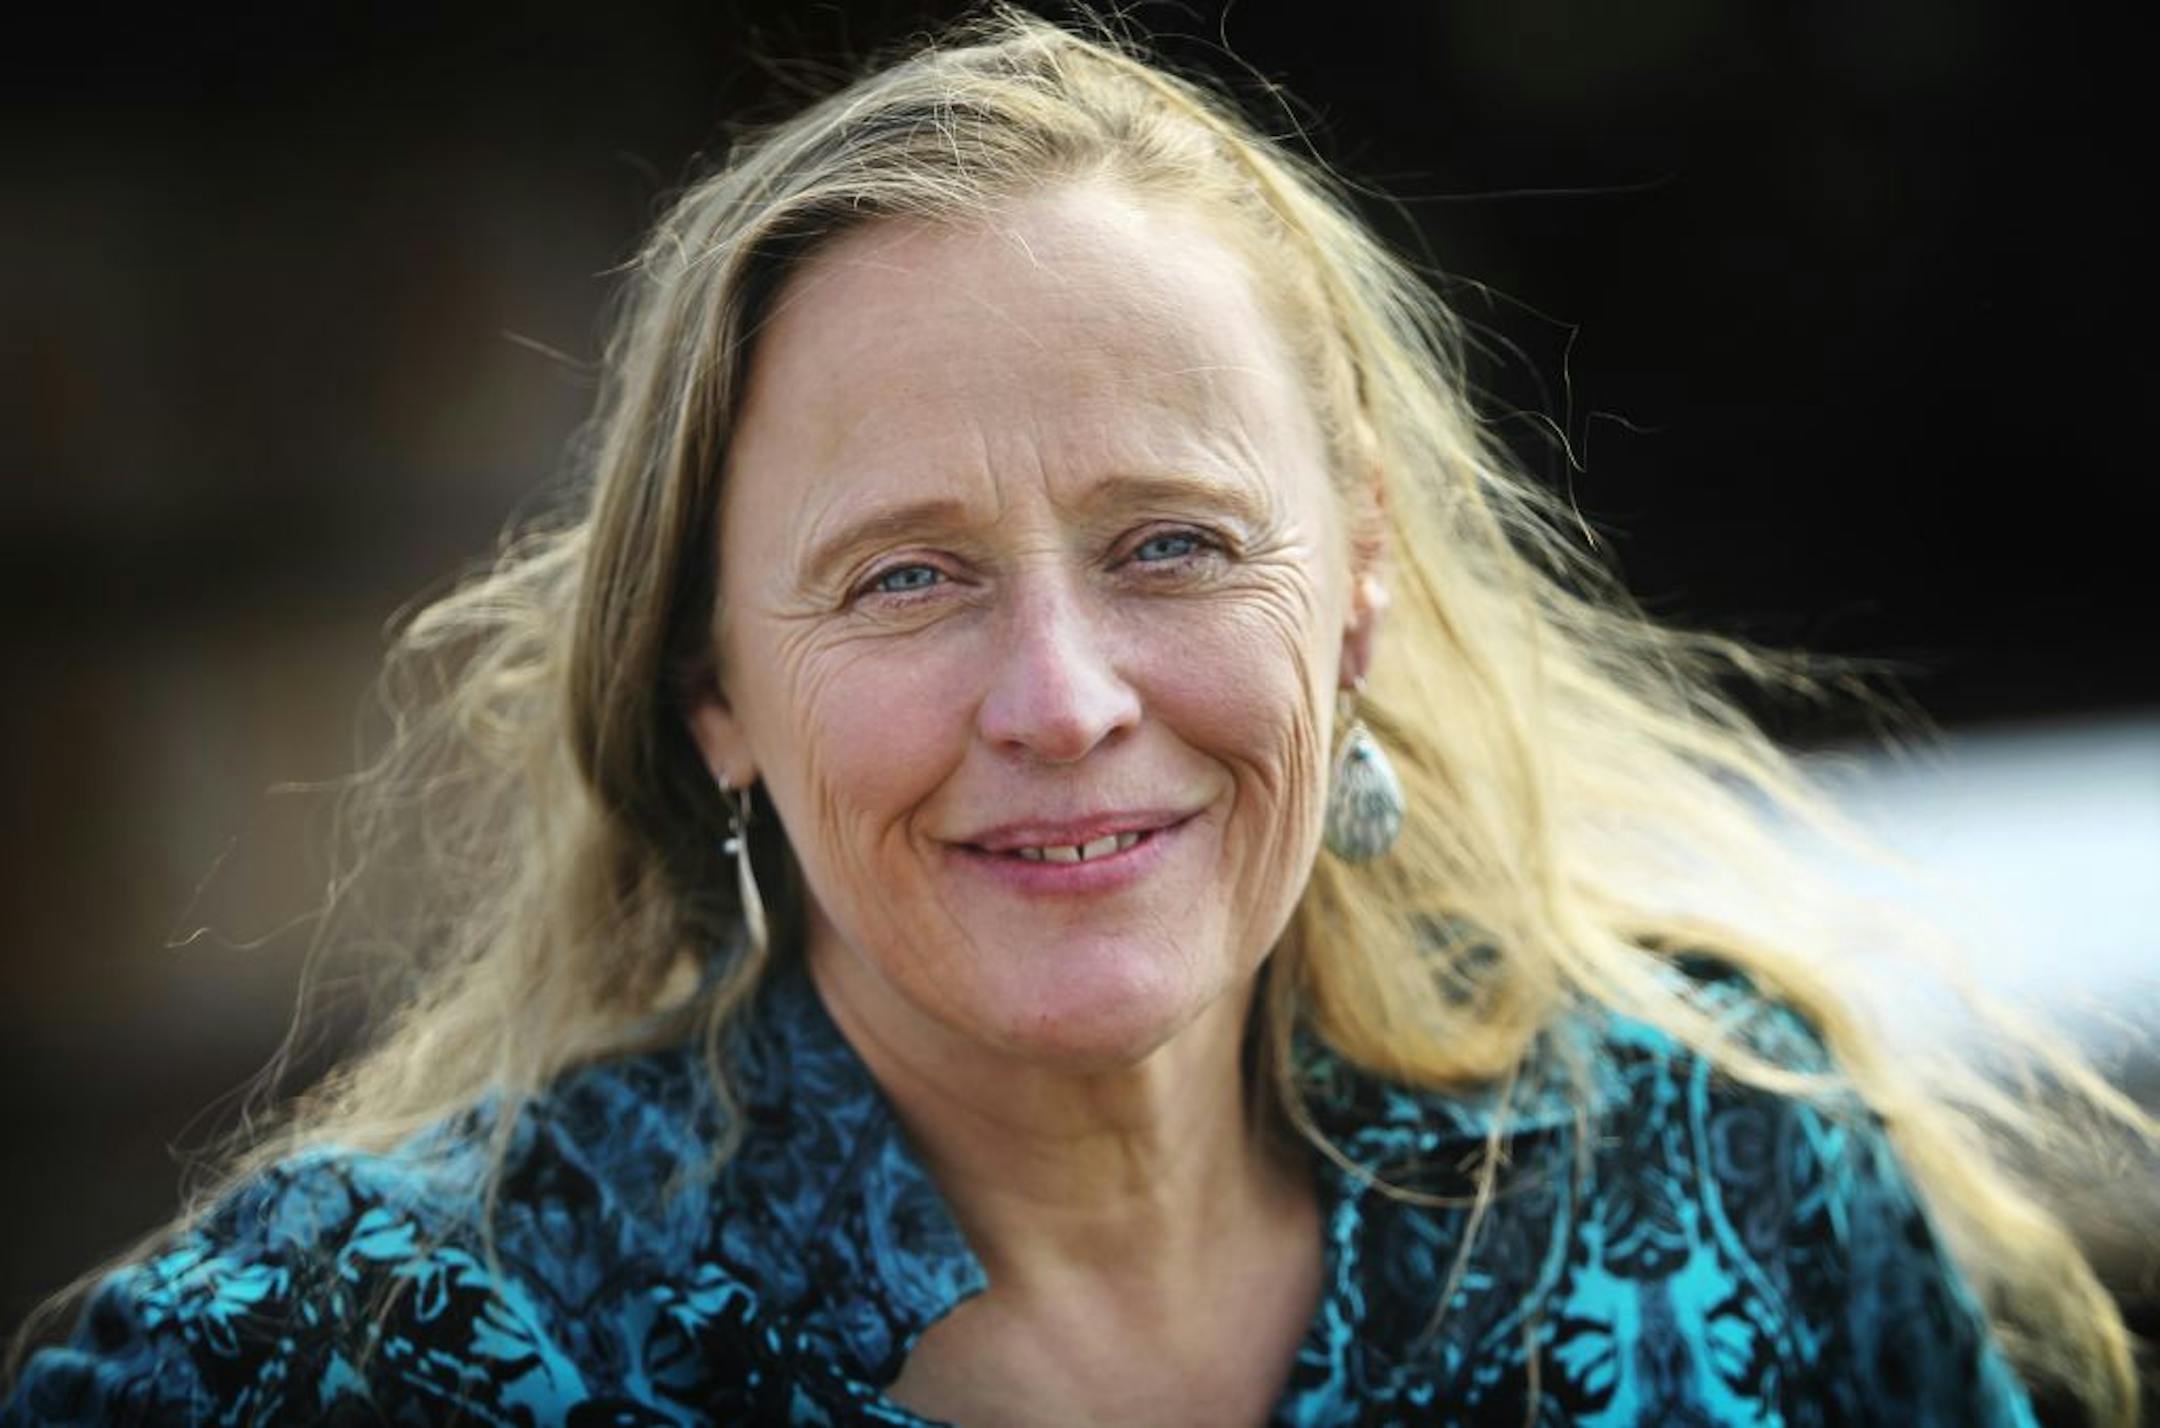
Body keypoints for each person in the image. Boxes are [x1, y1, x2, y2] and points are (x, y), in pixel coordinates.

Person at [3, 8, 2145, 1426]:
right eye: (907, 576)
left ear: (1363, 586)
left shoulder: (1736, 1191)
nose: (1062, 698)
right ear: (710, 688)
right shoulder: (355, 1365)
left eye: (1176, 545)